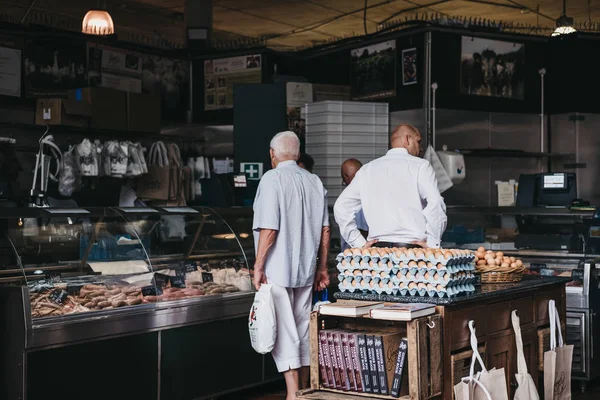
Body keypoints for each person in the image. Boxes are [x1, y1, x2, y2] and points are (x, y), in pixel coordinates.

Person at [252, 131, 330, 400]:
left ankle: (293, 394)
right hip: (306, 269)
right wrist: (322, 267)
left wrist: (258, 266)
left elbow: (269, 230)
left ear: (272, 154)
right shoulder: (314, 181)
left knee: (285, 331)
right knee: (302, 326)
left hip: (278, 269)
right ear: (297, 154)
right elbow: (326, 231)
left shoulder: (272, 179)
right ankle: (308, 389)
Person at [334, 124, 447, 249]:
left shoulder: (367, 169)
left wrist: (358, 243)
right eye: (418, 141)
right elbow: (436, 203)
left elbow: (341, 207)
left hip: (377, 255)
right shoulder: (421, 166)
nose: (420, 148)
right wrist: (433, 243)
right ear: (407, 139)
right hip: (413, 253)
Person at [340, 158, 368, 250]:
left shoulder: (355, 199)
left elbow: (364, 232)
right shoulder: (369, 195)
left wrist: (362, 245)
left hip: (360, 253)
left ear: (345, 176)